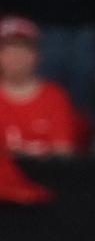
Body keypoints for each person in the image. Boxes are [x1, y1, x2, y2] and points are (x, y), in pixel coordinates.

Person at [0, 15, 83, 157]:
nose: (16, 56)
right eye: (8, 50)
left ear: (37, 55)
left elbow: (64, 153)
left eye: (23, 49)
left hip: (47, 171)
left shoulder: (55, 97)